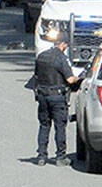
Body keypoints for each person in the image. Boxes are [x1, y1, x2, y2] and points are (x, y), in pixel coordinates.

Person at [33, 37, 79, 166]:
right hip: (57, 97)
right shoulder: (61, 58)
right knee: (60, 126)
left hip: (42, 95)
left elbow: (36, 76)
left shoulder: (42, 56)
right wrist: (78, 79)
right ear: (64, 45)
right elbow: (69, 79)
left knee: (44, 125)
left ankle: (41, 156)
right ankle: (60, 157)